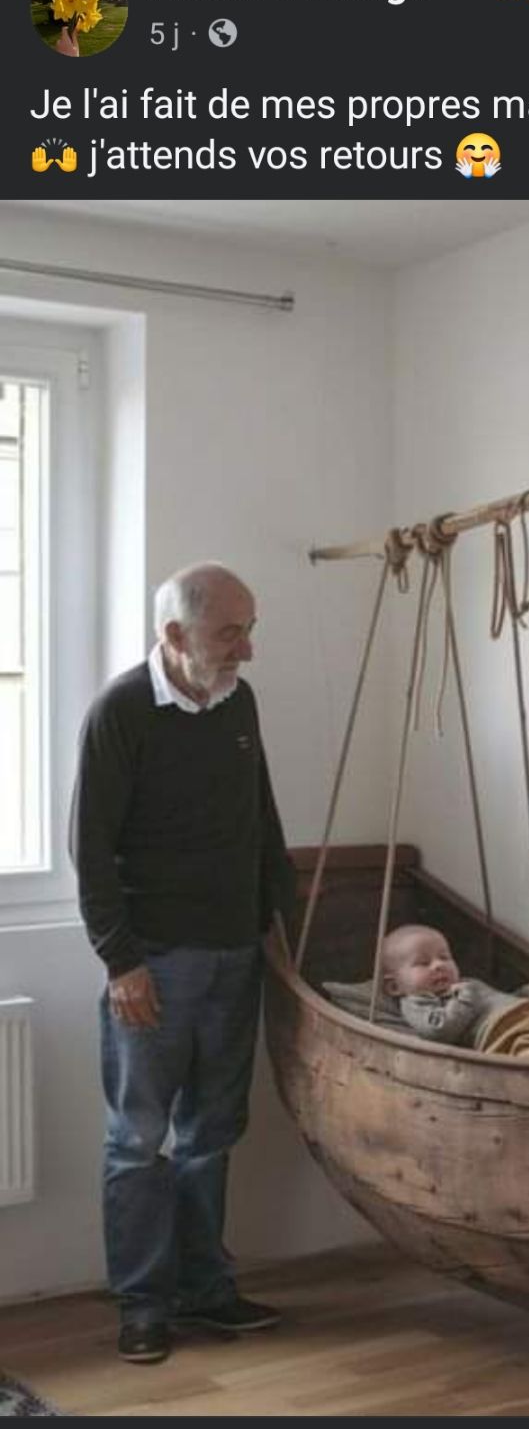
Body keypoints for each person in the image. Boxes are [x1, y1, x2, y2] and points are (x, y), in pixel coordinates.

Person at [70, 563, 296, 1365]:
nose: (249, 649)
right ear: (174, 635)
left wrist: (282, 929)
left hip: (236, 954)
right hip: (153, 966)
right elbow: (89, 851)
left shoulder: (241, 703)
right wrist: (120, 962)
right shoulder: (122, 711)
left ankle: (206, 1291)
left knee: (211, 1133)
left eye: (249, 627)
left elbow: (261, 819)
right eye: (231, 632)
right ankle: (142, 1306)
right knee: (138, 1140)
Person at [325, 924, 529, 1060]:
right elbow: (437, 1030)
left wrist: (528, 995)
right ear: (394, 986)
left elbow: (497, 998)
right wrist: (465, 998)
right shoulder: (418, 1001)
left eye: (445, 957)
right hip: (509, 1034)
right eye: (423, 963)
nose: (438, 966)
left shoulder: (462, 984)